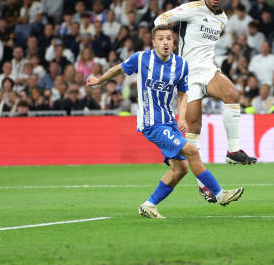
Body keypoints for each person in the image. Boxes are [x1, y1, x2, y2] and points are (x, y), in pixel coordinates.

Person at [86, 25, 244, 218]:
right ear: (153, 42)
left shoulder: (181, 64)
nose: (165, 42)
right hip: (151, 123)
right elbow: (119, 69)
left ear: (173, 42)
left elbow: (183, 94)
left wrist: (182, 117)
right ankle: (220, 194)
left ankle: (149, 205)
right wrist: (99, 80)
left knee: (181, 169)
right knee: (192, 151)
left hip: (169, 122)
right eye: (160, 39)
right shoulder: (142, 58)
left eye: (169, 38)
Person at [155, 0, 257, 204]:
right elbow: (161, 18)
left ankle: (233, 151)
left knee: (232, 94)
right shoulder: (192, 9)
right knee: (194, 129)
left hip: (208, 69)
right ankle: (204, 186)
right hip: (187, 74)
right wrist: (166, 43)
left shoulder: (222, 18)